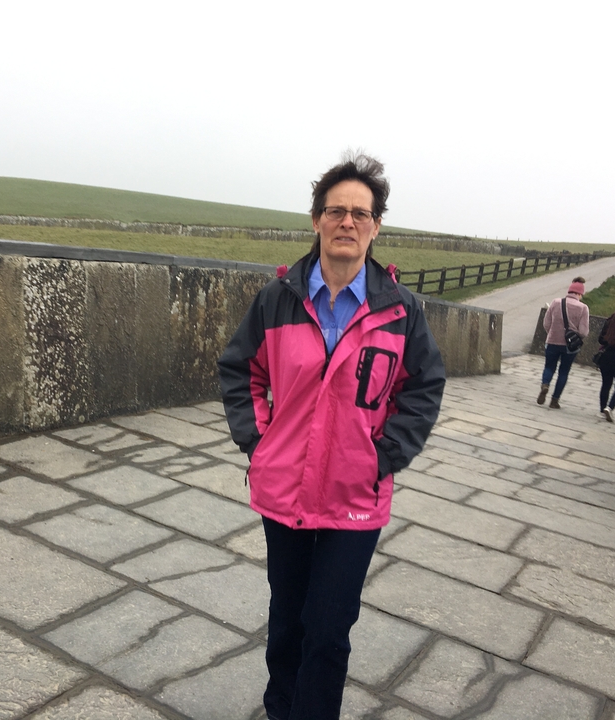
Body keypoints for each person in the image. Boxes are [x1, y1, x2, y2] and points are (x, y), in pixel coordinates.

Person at [217, 153, 446, 720]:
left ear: (375, 227)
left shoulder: (401, 311)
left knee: (328, 627)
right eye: (336, 211)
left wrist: (385, 455)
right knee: (288, 616)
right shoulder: (277, 299)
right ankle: (279, 709)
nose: (348, 222)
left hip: (354, 495)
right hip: (284, 488)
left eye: (361, 214)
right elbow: (242, 371)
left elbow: (424, 385)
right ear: (316, 220)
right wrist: (260, 442)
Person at [537, 276, 590, 409]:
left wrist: (553, 332)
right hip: (570, 347)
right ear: (579, 293)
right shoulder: (583, 308)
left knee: (549, 367)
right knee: (564, 372)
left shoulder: (555, 302)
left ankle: (545, 384)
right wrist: (574, 335)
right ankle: (554, 401)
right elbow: (584, 332)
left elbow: (546, 323)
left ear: (569, 291)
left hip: (552, 341)